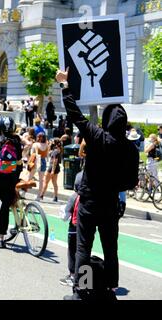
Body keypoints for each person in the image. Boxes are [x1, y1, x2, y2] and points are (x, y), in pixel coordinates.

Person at [57, 69, 139, 300]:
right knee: (110, 247)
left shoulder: (97, 135)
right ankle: (111, 285)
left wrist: (65, 85)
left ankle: (82, 288)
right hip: (111, 203)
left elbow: (75, 115)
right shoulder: (130, 149)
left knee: (84, 245)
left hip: (90, 201)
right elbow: (131, 182)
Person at [0, 117, 23, 249]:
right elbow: (19, 162)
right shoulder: (17, 141)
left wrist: (0, 167)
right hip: (11, 179)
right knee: (5, 209)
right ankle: (1, 239)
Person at [59, 171, 83, 287]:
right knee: (83, 252)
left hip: (73, 229)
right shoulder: (89, 196)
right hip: (85, 229)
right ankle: (83, 278)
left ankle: (73, 276)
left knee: (72, 252)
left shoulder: (74, 197)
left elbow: (65, 216)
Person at [29, 133, 49, 199]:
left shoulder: (35, 144)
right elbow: (47, 156)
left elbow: (31, 154)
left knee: (30, 177)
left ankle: (23, 192)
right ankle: (38, 196)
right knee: (41, 180)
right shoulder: (47, 145)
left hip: (36, 160)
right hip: (43, 161)